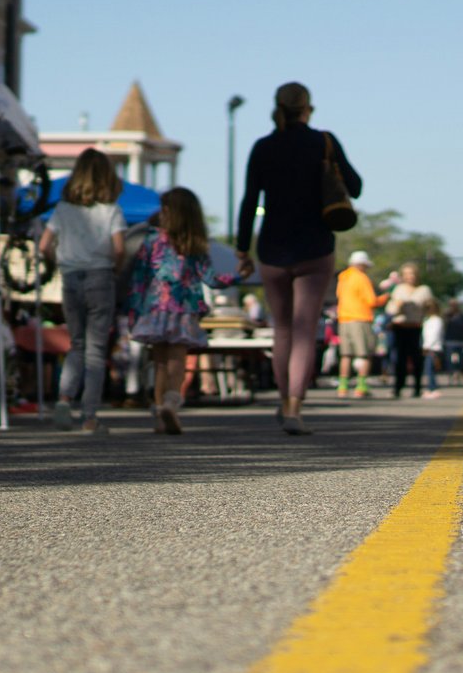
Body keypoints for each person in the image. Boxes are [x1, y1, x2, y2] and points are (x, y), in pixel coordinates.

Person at [236, 82, 361, 435]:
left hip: (273, 249)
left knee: (283, 330)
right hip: (315, 247)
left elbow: (249, 202)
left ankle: (283, 399)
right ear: (309, 108)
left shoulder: (263, 147)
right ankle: (295, 406)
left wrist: (243, 249)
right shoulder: (324, 141)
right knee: (306, 329)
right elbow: (355, 187)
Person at [122, 187, 234, 434]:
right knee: (177, 362)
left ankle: (160, 411)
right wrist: (236, 277)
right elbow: (211, 279)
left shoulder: (151, 241)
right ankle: (171, 404)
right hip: (183, 310)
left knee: (160, 363)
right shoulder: (195, 244)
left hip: (153, 309)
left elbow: (139, 279)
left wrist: (133, 311)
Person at [38, 148, 125, 433]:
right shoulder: (111, 210)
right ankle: (89, 415)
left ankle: (64, 399)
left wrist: (58, 262)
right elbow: (119, 248)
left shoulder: (62, 209)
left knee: (76, 343)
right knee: (97, 350)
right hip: (100, 276)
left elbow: (43, 245)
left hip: (70, 277)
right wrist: (115, 268)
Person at [334, 250, 386, 398]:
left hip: (344, 319)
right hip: (360, 318)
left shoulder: (343, 278)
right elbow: (371, 301)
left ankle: (342, 387)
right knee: (364, 354)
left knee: (346, 355)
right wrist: (385, 297)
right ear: (362, 264)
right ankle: (361, 386)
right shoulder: (361, 278)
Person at [384, 261, 436, 398]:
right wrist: (398, 305)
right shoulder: (399, 289)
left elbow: (431, 310)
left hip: (416, 327)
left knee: (417, 359)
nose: (409, 277)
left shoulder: (424, 290)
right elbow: (390, 311)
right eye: (406, 274)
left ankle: (417, 387)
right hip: (400, 327)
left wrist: (429, 306)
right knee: (399, 358)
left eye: (412, 274)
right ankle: (398, 387)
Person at [420, 299, 446, 398]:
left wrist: (427, 346)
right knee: (428, 369)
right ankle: (431, 388)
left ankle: (433, 388)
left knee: (430, 369)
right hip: (429, 347)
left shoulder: (436, 320)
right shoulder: (428, 320)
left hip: (433, 348)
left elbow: (434, 335)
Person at [442, 299, 463, 384]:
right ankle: (451, 374)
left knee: (461, 360)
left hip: (459, 341)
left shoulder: (462, 316)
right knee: (449, 360)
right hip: (449, 340)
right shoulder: (446, 315)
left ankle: (459, 374)